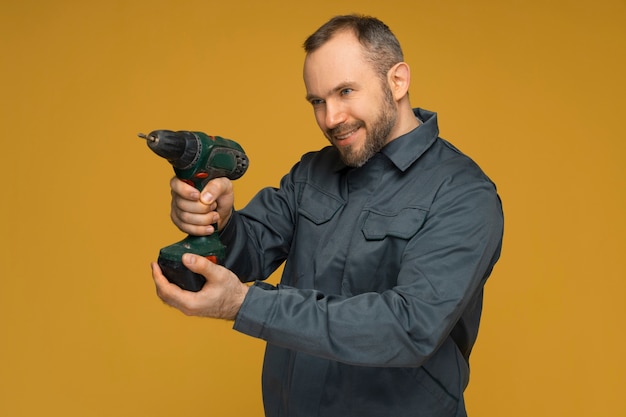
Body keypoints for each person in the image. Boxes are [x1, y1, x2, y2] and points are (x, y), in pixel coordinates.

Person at [151, 14, 504, 417]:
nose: (330, 118)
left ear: (398, 80)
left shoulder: (462, 193)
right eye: (317, 101)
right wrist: (219, 220)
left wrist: (245, 305)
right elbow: (248, 254)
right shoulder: (311, 173)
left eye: (346, 91)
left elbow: (408, 327)